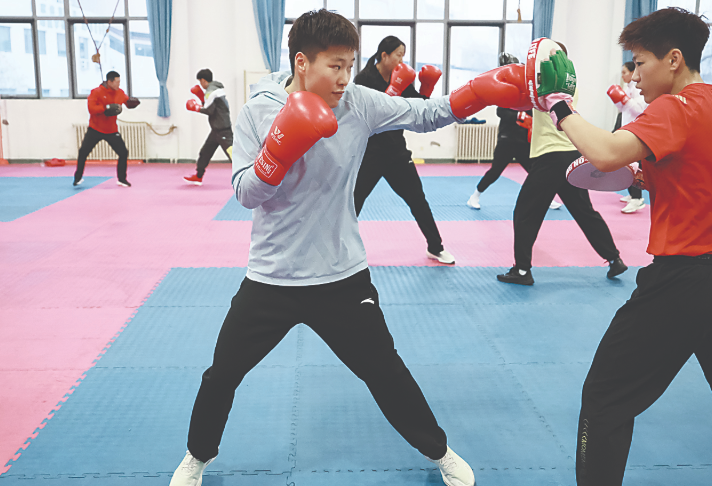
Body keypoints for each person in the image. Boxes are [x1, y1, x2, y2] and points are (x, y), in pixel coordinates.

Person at [167, 8, 534, 486]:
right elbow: (244, 194)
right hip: (271, 278)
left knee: (385, 371)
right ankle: (197, 457)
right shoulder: (258, 111)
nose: (344, 77)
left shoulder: (358, 102)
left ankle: (440, 451)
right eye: (335, 66)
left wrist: (477, 92)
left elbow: (424, 115)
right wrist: (277, 153)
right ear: (302, 62)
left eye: (350, 65)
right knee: (221, 375)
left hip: (341, 276)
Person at [537, 7, 712, 486]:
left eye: (641, 62)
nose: (635, 75)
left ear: (674, 59)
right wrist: (651, 177)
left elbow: (605, 153)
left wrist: (559, 106)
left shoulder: (675, 107)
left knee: (604, 397)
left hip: (687, 282)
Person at [496, 42, 627, 286]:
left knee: (525, 213)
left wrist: (510, 68)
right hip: (571, 155)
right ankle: (614, 258)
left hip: (550, 157)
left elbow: (525, 89)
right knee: (584, 212)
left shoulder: (548, 82)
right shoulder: (569, 82)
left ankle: (522, 270)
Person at [352, 36, 456, 264]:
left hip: (396, 152)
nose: (401, 60)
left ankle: (436, 247)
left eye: (403, 56)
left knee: (418, 199)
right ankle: (339, 249)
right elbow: (363, 116)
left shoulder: (403, 77)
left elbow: (418, 108)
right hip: (370, 152)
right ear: (384, 55)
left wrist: (426, 88)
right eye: (398, 55)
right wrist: (392, 91)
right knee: (354, 201)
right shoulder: (363, 79)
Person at [466, 53, 561, 211]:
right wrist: (520, 115)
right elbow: (501, 111)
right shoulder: (504, 90)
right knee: (495, 171)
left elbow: (532, 110)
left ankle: (547, 199)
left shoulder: (526, 91)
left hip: (523, 140)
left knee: (535, 171)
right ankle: (474, 196)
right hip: (507, 139)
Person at [73, 71, 139, 187]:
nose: (119, 84)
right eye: (117, 82)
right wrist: (106, 108)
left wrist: (132, 104)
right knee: (83, 152)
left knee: (123, 152)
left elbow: (126, 102)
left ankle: (122, 179)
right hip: (95, 129)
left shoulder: (120, 92)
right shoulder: (96, 92)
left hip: (111, 130)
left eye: (119, 82)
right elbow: (91, 108)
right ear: (109, 82)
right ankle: (77, 178)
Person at [184, 69, 233, 185]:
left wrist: (196, 108)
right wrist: (202, 99)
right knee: (205, 153)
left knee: (234, 155)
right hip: (216, 130)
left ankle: (251, 177)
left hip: (223, 131)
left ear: (203, 80)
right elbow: (212, 107)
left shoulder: (211, 92)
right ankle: (198, 176)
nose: (200, 84)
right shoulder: (216, 89)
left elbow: (209, 110)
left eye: (200, 81)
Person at [615, 61, 649, 214]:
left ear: (632, 72)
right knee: (625, 163)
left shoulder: (638, 87)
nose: (622, 75)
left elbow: (640, 109)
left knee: (632, 164)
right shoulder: (627, 87)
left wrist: (625, 100)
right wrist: (618, 100)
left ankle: (637, 198)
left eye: (624, 72)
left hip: (636, 129)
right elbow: (623, 108)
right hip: (626, 126)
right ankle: (631, 194)